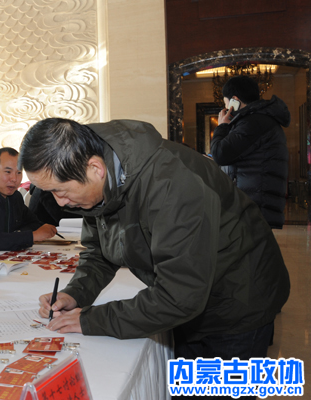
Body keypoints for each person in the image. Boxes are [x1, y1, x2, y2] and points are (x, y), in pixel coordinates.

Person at [20, 118, 289, 369]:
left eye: (59, 190)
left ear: (95, 169)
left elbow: (179, 296)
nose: (59, 202)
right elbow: (100, 252)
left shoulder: (173, 184)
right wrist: (75, 294)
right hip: (194, 300)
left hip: (238, 299)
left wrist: (91, 319)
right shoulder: (99, 176)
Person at [211, 75, 290, 229]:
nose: (226, 110)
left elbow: (220, 154)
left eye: (226, 104)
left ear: (235, 100)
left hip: (254, 208)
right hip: (255, 205)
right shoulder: (257, 120)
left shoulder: (254, 122)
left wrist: (222, 127)